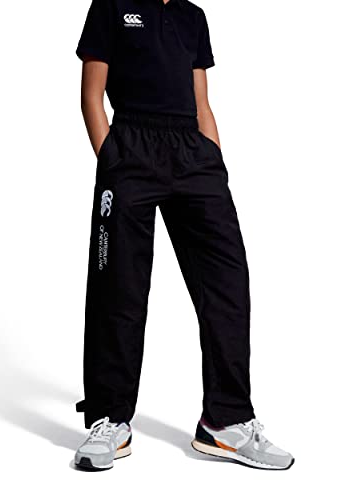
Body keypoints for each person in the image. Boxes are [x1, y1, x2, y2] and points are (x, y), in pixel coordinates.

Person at [73, 0, 294, 471]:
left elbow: (201, 102)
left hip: (193, 156)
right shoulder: (112, 5)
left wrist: (214, 162)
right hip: (130, 149)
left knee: (227, 284)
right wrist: (112, 160)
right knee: (120, 289)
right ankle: (110, 418)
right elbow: (92, 94)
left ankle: (226, 422)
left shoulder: (194, 17)